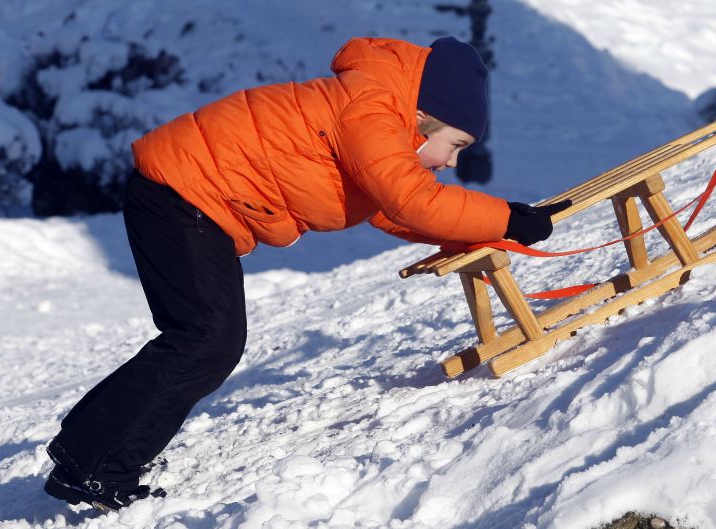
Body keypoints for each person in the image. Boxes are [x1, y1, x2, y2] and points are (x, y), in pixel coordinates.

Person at [43, 36, 570, 511]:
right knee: (205, 339)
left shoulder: (376, 112)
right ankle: (91, 463)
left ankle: (97, 460)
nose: (452, 161)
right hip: (181, 195)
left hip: (187, 197)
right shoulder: (374, 108)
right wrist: (506, 217)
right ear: (426, 115)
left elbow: (389, 208)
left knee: (206, 340)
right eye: (455, 145)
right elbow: (412, 200)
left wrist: (483, 230)